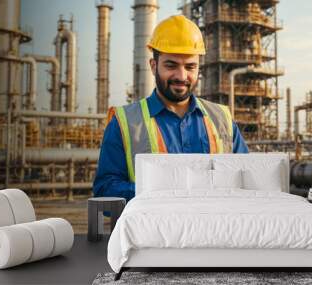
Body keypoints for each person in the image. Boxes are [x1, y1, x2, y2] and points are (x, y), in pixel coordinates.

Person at [93, 15, 249, 201]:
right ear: (153, 65)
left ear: (199, 69)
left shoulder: (222, 119)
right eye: (171, 65)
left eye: (190, 67)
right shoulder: (124, 122)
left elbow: (246, 178)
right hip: (152, 228)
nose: (181, 76)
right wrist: (161, 193)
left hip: (216, 227)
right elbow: (105, 188)